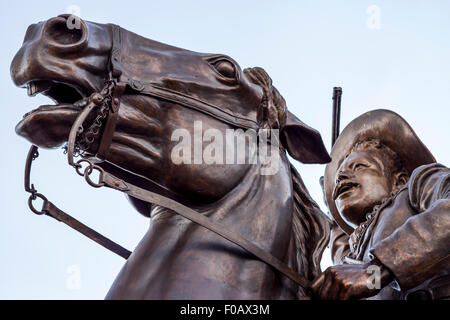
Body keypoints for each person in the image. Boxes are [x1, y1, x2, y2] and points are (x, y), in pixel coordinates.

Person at [312, 109, 449, 300]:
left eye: (359, 166)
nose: (341, 177)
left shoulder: (417, 185)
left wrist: (374, 273)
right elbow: (339, 247)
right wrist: (330, 210)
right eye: (338, 178)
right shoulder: (353, 253)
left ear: (399, 180)